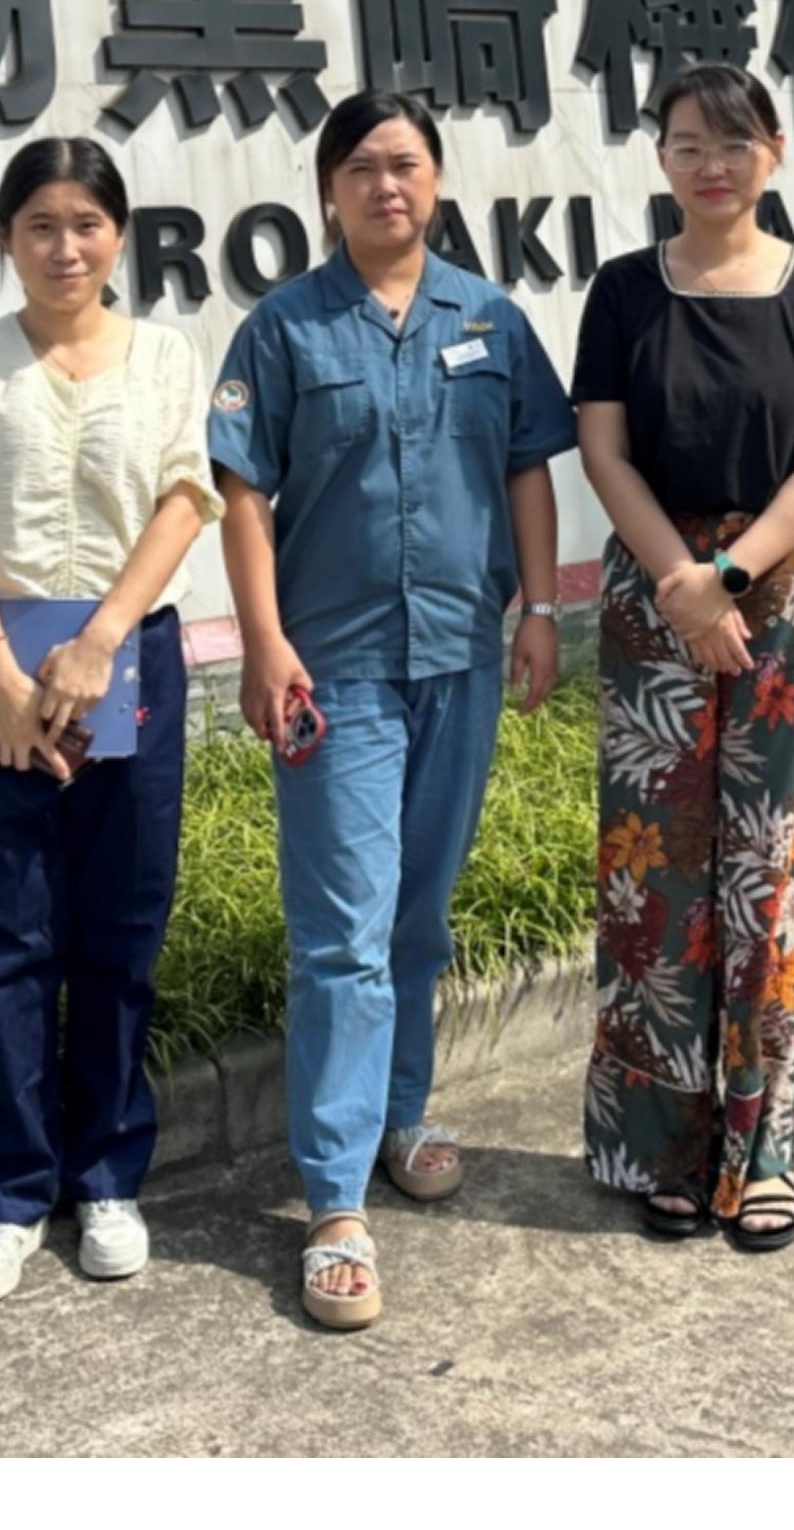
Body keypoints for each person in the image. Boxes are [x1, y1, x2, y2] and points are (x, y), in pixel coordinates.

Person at [208, 87, 577, 1331]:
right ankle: (332, 1201)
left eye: (406, 164)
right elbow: (243, 496)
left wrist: (539, 609)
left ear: (437, 181)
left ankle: (399, 1117)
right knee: (342, 934)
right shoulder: (284, 328)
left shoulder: (488, 317)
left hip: (458, 656)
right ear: (328, 190)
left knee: (418, 913)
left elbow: (526, 467)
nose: (386, 186)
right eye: (362, 167)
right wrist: (263, 642)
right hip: (335, 670)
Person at [0, 129, 224, 1307]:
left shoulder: (165, 355)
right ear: (5, 238)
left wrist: (101, 643)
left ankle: (108, 1178)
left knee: (120, 928)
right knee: (4, 938)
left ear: (118, 238)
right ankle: (11, 1195)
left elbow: (185, 501)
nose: (64, 247)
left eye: (87, 224)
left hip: (129, 660)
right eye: (40, 225)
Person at [570, 59, 794, 1250]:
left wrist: (730, 575)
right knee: (656, 878)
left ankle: (762, 1151)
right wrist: (680, 583)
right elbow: (604, 452)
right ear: (660, 158)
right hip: (653, 601)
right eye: (687, 144)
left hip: (783, 596)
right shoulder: (623, 290)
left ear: (774, 151)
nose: (711, 165)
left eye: (733, 143)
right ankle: (665, 1150)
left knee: (768, 870)